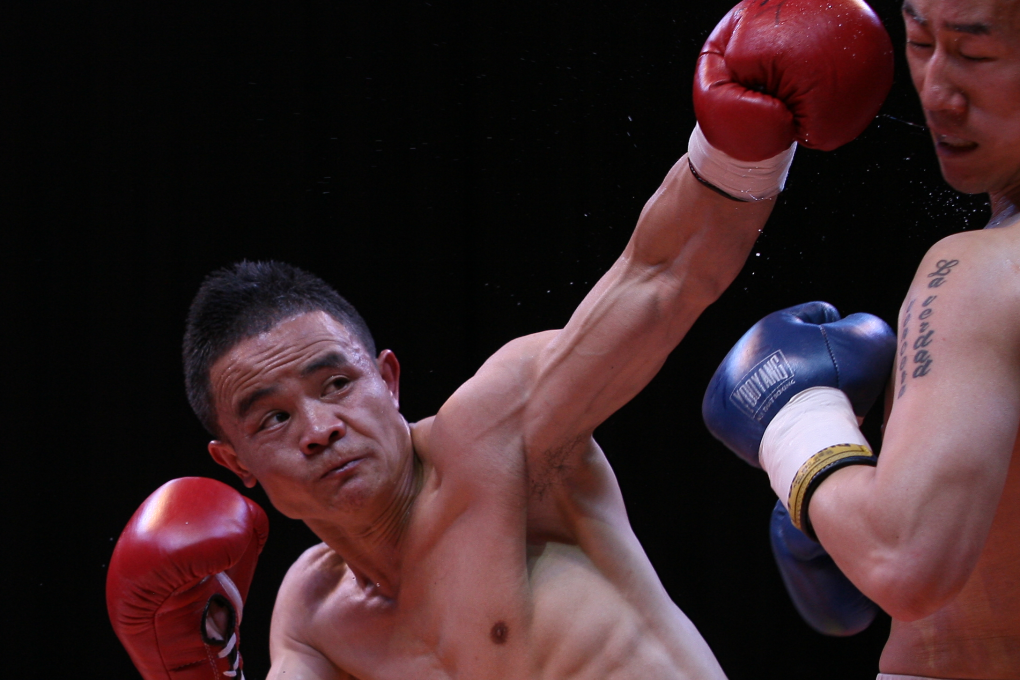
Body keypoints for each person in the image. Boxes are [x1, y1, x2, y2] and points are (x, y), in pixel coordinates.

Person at [105, 1, 893, 678]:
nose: (319, 430)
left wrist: (740, 148)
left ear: (388, 378)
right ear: (234, 463)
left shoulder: (498, 439)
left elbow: (656, 280)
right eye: (272, 418)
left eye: (336, 383)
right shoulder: (312, 616)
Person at [703, 0, 1020, 678]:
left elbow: (904, 562)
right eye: (919, 42)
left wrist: (798, 430)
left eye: (973, 53)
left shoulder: (980, 273)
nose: (935, 89)